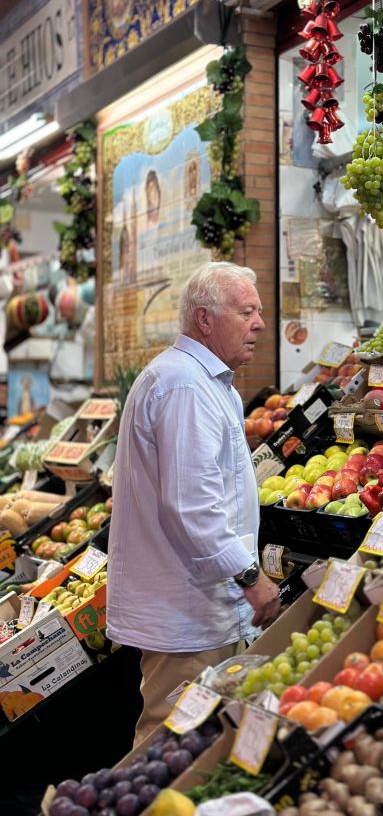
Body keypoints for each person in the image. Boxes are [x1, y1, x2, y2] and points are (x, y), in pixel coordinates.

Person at [107, 262, 280, 746]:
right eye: (247, 311)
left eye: (260, 311)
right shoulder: (185, 385)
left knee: (198, 741)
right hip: (186, 612)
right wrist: (250, 575)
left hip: (200, 606)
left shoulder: (203, 380)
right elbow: (192, 504)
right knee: (171, 743)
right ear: (205, 319)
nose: (260, 324)